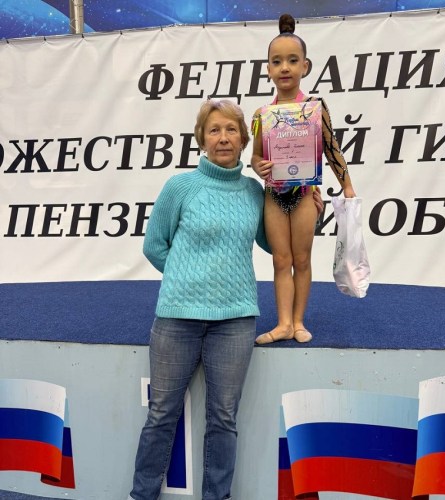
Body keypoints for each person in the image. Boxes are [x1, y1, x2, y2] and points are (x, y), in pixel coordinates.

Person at [127, 99, 270, 500]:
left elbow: (275, 245)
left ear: (244, 140)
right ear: (202, 139)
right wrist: (185, 278)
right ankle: (141, 496)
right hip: (177, 318)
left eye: (231, 130)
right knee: (161, 414)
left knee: (224, 418)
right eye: (214, 130)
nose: (223, 137)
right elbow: (155, 246)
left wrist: (304, 205)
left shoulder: (255, 192)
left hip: (236, 320)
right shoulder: (180, 187)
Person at [251, 13, 356, 345]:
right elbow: (255, 155)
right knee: (281, 260)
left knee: (301, 259)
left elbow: (331, 146)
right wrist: (258, 166)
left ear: (305, 66)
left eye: (292, 61)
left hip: (305, 195)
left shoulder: (314, 108)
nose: (285, 68)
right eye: (277, 61)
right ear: (268, 69)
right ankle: (283, 323)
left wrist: (347, 185)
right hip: (274, 195)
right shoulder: (262, 115)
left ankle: (298, 321)